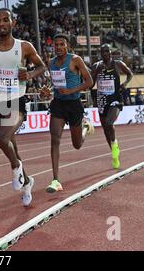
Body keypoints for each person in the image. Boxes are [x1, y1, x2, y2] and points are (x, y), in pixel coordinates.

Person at [0, 8, 46, 206]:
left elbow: (42, 66)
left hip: (17, 100)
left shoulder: (24, 46)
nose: (1, 23)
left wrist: (31, 75)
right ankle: (27, 182)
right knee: (12, 146)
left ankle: (16, 168)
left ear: (12, 22)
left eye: (5, 19)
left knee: (2, 139)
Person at [42, 34, 94, 193]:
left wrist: (72, 90)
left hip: (74, 104)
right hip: (58, 103)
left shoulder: (75, 60)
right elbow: (55, 84)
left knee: (77, 145)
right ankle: (55, 180)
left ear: (68, 46)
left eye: (61, 44)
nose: (58, 47)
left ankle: (85, 127)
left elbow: (90, 82)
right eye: (56, 45)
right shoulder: (51, 63)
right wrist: (47, 92)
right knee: (54, 139)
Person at [91, 44, 133, 169]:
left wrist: (125, 83)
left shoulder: (118, 64)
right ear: (100, 53)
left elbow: (130, 74)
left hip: (115, 98)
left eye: (107, 51)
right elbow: (91, 84)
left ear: (110, 52)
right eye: (103, 52)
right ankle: (114, 153)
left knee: (109, 123)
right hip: (102, 100)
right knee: (105, 129)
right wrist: (95, 73)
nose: (105, 53)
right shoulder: (96, 66)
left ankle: (114, 145)